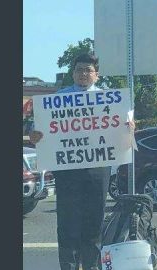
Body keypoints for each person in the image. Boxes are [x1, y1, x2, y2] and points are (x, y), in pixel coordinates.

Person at [29, 53, 135, 270]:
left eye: (88, 70)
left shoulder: (110, 100)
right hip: (67, 170)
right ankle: (68, 266)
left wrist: (130, 129)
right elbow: (36, 130)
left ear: (96, 74)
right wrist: (34, 135)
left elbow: (125, 135)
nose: (83, 74)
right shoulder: (57, 99)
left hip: (97, 169)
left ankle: (91, 266)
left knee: (94, 221)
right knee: (67, 223)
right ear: (73, 73)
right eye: (79, 70)